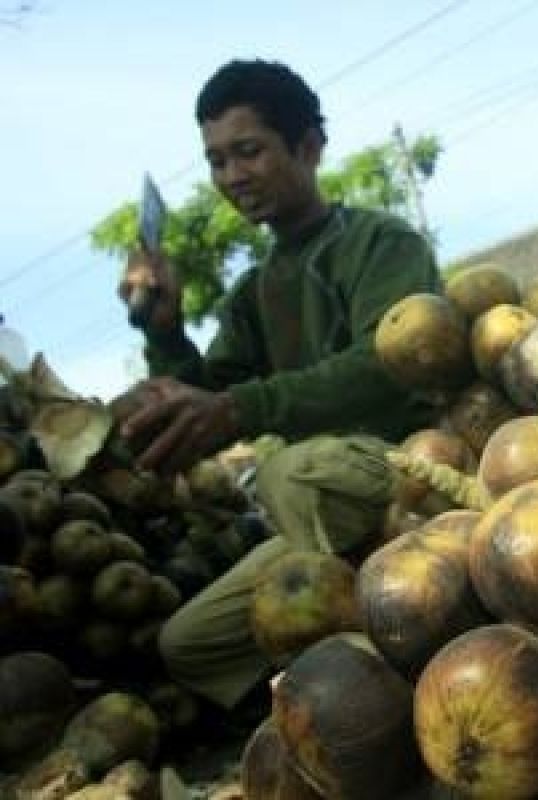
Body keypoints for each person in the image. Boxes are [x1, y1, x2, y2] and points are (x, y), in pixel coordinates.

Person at [115, 59, 441, 711]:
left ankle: (375, 681)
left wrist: (242, 407)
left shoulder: (381, 242)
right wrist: (167, 334)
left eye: (248, 151)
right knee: (188, 643)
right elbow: (209, 402)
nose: (232, 176)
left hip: (407, 471)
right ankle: (329, 661)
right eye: (216, 161)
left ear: (310, 147)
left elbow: (388, 367)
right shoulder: (250, 293)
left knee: (286, 471)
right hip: (317, 509)